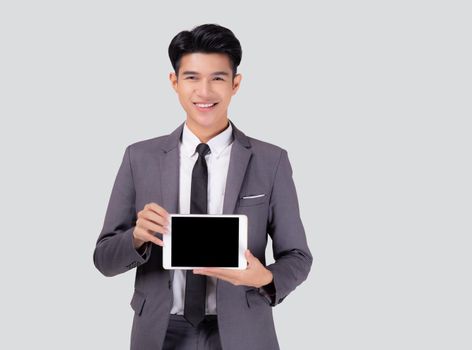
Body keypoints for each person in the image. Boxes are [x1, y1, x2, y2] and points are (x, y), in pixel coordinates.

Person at [93, 23, 313, 350]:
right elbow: (104, 259)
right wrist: (137, 237)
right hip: (159, 330)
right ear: (175, 82)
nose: (204, 91)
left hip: (242, 332)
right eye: (192, 77)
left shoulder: (271, 161)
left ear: (235, 84)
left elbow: (297, 256)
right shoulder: (139, 157)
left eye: (218, 78)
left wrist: (265, 278)